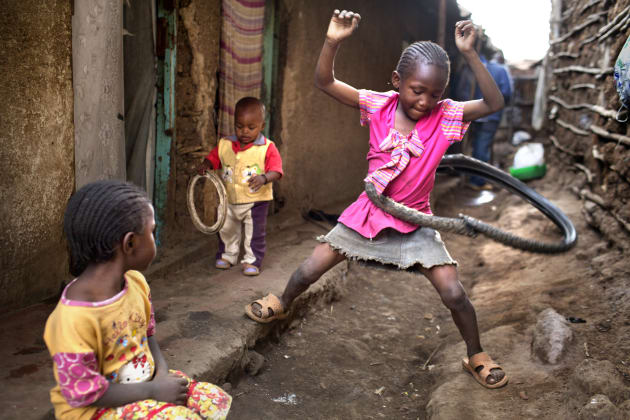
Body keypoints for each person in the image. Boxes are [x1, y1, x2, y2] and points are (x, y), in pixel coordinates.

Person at [244, 9, 509, 389]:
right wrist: (332, 40)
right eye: (418, 91)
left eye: (435, 94)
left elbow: (494, 105)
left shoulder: (446, 116)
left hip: (417, 219)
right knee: (309, 269)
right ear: (397, 81)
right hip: (368, 213)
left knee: (454, 292)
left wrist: (470, 54)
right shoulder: (378, 105)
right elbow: (324, 82)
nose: (425, 101)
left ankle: (475, 353)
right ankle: (283, 302)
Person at [44, 180, 232, 419]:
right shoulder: (72, 318)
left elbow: (147, 336)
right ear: (130, 243)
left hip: (146, 382)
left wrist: (162, 373)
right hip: (95, 409)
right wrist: (152, 390)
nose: (155, 239)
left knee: (211, 400)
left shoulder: (136, 283)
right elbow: (85, 394)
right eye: (152, 232)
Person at [197, 97, 283, 276]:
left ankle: (252, 261)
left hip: (255, 201)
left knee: (254, 234)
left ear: (262, 125)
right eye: (239, 126)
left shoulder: (267, 148)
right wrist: (206, 164)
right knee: (226, 229)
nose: (244, 131)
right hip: (228, 199)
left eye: (251, 128)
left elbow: (277, 171)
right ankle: (228, 256)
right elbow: (214, 158)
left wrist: (264, 178)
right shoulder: (225, 144)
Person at [467, 50, 512, 190]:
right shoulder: (500, 71)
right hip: (491, 115)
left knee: (477, 146)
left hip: (473, 114)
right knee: (483, 148)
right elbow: (506, 93)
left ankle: (473, 177)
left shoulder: (472, 69)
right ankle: (477, 181)